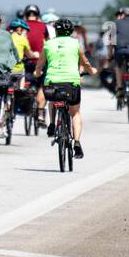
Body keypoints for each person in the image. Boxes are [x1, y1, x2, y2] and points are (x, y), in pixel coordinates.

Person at [34, 17, 98, 159]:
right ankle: (76, 142)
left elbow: (40, 64)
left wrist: (37, 72)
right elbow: (85, 61)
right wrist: (92, 70)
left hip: (52, 83)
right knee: (75, 113)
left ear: (56, 30)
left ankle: (51, 124)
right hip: (71, 83)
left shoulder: (48, 44)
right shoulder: (75, 43)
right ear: (70, 31)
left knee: (52, 99)